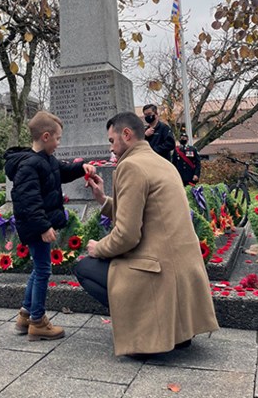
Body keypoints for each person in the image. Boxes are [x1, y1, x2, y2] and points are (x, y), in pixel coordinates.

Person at [73, 111, 219, 359]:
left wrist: (99, 248)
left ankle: (146, 332)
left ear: (126, 135)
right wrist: (102, 199)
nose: (111, 149)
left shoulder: (130, 166)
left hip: (159, 269)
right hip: (184, 269)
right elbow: (150, 214)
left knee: (85, 267)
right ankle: (179, 333)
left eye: (112, 141)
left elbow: (127, 235)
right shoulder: (164, 163)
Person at [4, 111, 96, 341]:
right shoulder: (29, 165)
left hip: (37, 224)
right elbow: (29, 200)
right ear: (46, 136)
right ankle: (37, 321)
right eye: (58, 138)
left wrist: (81, 167)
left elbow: (61, 172)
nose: (59, 143)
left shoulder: (45, 160)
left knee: (40, 268)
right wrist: (44, 227)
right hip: (36, 226)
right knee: (44, 270)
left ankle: (26, 315)